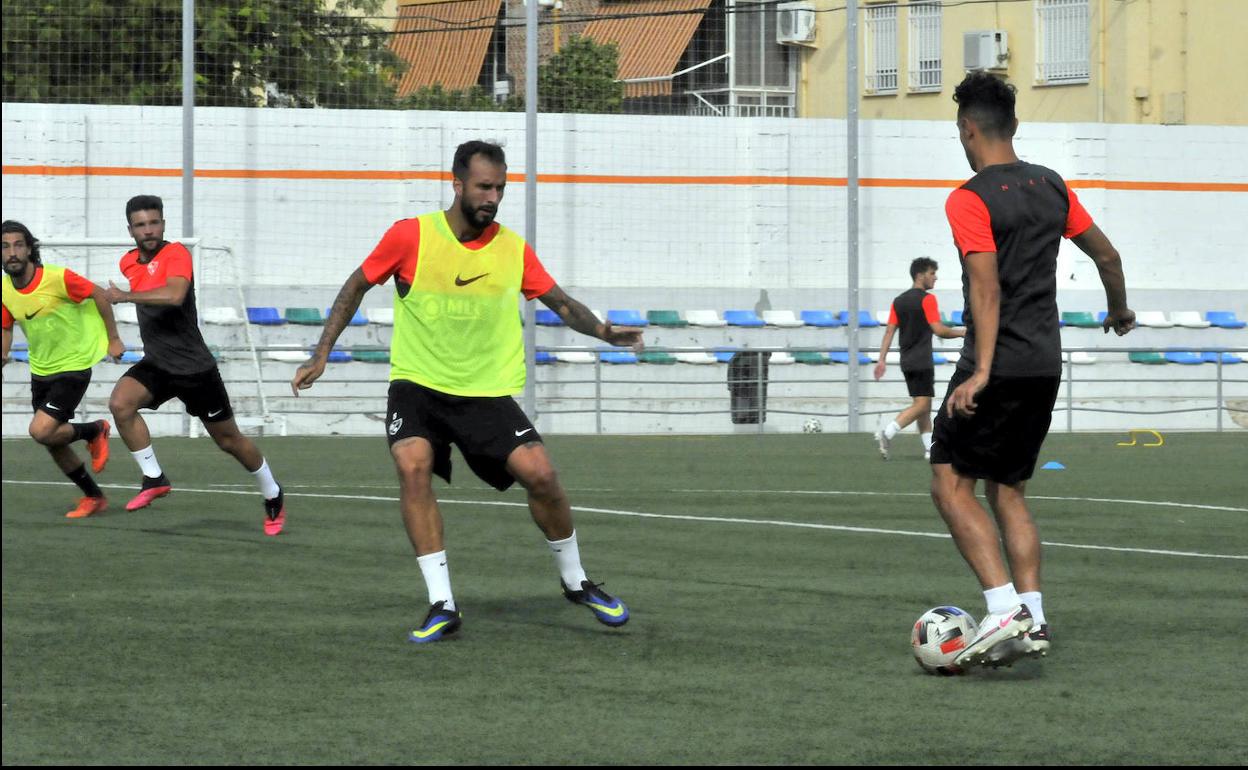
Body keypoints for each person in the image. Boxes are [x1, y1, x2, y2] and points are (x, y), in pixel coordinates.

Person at [290, 140, 643, 643]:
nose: (492, 197)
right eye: (483, 186)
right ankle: (442, 603)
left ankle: (576, 581)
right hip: (417, 385)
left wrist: (606, 333)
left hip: (485, 392)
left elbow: (561, 303)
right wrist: (322, 352)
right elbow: (356, 286)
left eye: (499, 187)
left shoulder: (512, 248)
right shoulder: (411, 236)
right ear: (457, 185)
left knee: (542, 475)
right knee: (412, 468)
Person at [931, 72, 1134, 668]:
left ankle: (1001, 609)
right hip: (1045, 362)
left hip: (997, 362)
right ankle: (1034, 618)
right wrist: (1118, 308)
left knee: (948, 480)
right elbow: (1109, 254)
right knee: (1008, 490)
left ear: (967, 130)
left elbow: (985, 286)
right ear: (1012, 126)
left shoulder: (969, 198)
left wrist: (980, 372)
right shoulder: (1051, 185)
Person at [104, 195, 287, 535]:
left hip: (194, 369)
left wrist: (125, 297)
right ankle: (154, 477)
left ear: (163, 223)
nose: (149, 230)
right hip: (158, 364)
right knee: (120, 404)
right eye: (141, 225)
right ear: (130, 230)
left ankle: (273, 492)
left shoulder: (176, 254)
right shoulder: (128, 262)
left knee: (229, 440)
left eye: (154, 222)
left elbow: (174, 296)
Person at [2, 220, 126, 518]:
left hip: (74, 365)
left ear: (30, 248)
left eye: (18, 245)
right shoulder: (5, 289)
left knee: (40, 430)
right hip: (41, 369)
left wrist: (114, 339)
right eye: (5, 247)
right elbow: (6, 325)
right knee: (52, 441)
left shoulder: (57, 278)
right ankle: (93, 496)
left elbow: (99, 294)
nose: (12, 253)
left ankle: (95, 430)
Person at [872, 257, 965, 460]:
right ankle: (887, 433)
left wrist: (882, 360)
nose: (935, 277)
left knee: (923, 406)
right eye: (932, 273)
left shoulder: (899, 301)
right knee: (922, 405)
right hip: (922, 360)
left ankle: (929, 449)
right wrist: (964, 332)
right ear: (920, 275)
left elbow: (889, 332)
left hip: (907, 361)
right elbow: (939, 330)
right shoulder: (927, 299)